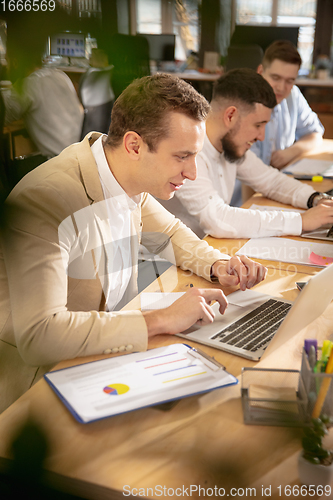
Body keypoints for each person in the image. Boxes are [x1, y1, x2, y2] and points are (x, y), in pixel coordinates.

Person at [0, 73, 267, 412]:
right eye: (182, 156)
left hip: (96, 358)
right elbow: (40, 335)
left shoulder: (124, 176)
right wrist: (162, 319)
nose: (192, 173)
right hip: (34, 389)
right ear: (134, 145)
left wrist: (217, 264)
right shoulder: (48, 199)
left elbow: (171, 232)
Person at [161, 69, 333, 240]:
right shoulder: (188, 152)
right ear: (231, 116)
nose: (261, 136)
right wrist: (300, 221)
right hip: (165, 261)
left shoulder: (230, 145)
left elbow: (271, 181)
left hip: (203, 251)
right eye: (258, 125)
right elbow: (218, 219)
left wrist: (315, 199)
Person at [1, 44, 84, 158]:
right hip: (78, 152)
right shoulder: (60, 75)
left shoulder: (29, 85)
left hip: (57, 160)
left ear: (15, 62)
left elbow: (4, 115)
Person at [251, 40, 324, 169]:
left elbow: (315, 134)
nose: (281, 87)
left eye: (290, 81)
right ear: (260, 71)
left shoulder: (293, 95)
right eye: (275, 78)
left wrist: (291, 152)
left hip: (278, 181)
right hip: (247, 186)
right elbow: (251, 173)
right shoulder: (243, 103)